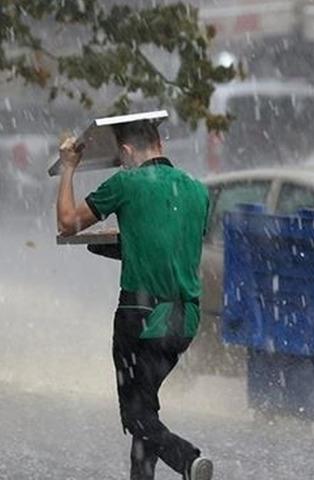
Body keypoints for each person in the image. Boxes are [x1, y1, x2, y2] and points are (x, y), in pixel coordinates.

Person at [56, 120, 213, 480]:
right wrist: (126, 239)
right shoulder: (197, 191)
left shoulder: (126, 183)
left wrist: (68, 168)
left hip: (140, 317)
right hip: (184, 321)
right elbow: (168, 245)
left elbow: (66, 221)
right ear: (160, 141)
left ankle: (187, 460)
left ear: (126, 152)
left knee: (135, 415)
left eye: (122, 158)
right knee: (146, 409)